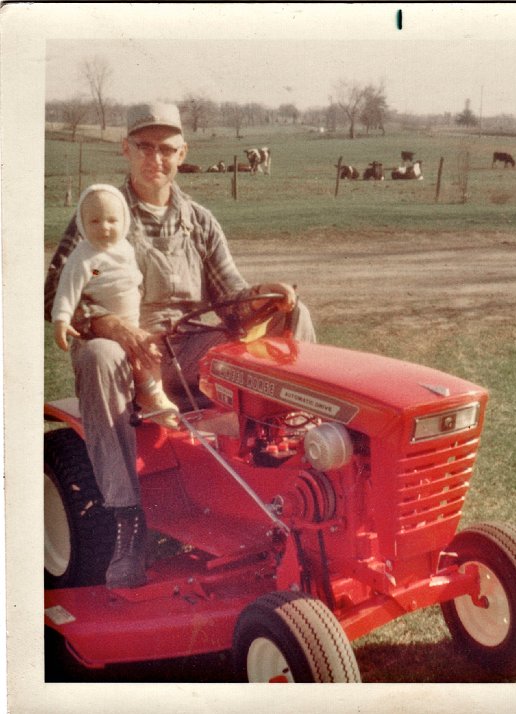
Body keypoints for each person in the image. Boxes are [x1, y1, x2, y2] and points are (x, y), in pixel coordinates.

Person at [44, 102, 316, 589]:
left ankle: (298, 462)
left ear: (182, 153)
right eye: (144, 147)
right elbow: (54, 293)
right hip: (128, 356)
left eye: (167, 149)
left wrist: (264, 297)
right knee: (97, 355)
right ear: (126, 149)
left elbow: (231, 302)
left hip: (189, 350)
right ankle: (127, 524)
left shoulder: (199, 221)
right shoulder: (102, 212)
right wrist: (112, 326)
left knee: (292, 314)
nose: (156, 159)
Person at [51, 183, 179, 429]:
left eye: (112, 220)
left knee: (151, 353)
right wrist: (61, 319)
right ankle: (153, 396)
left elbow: (131, 275)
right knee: (138, 357)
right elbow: (68, 289)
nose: (104, 228)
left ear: (124, 221)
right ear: (82, 223)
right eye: (95, 221)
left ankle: (154, 393)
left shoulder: (125, 248)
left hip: (133, 318)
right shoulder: (85, 258)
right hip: (106, 328)